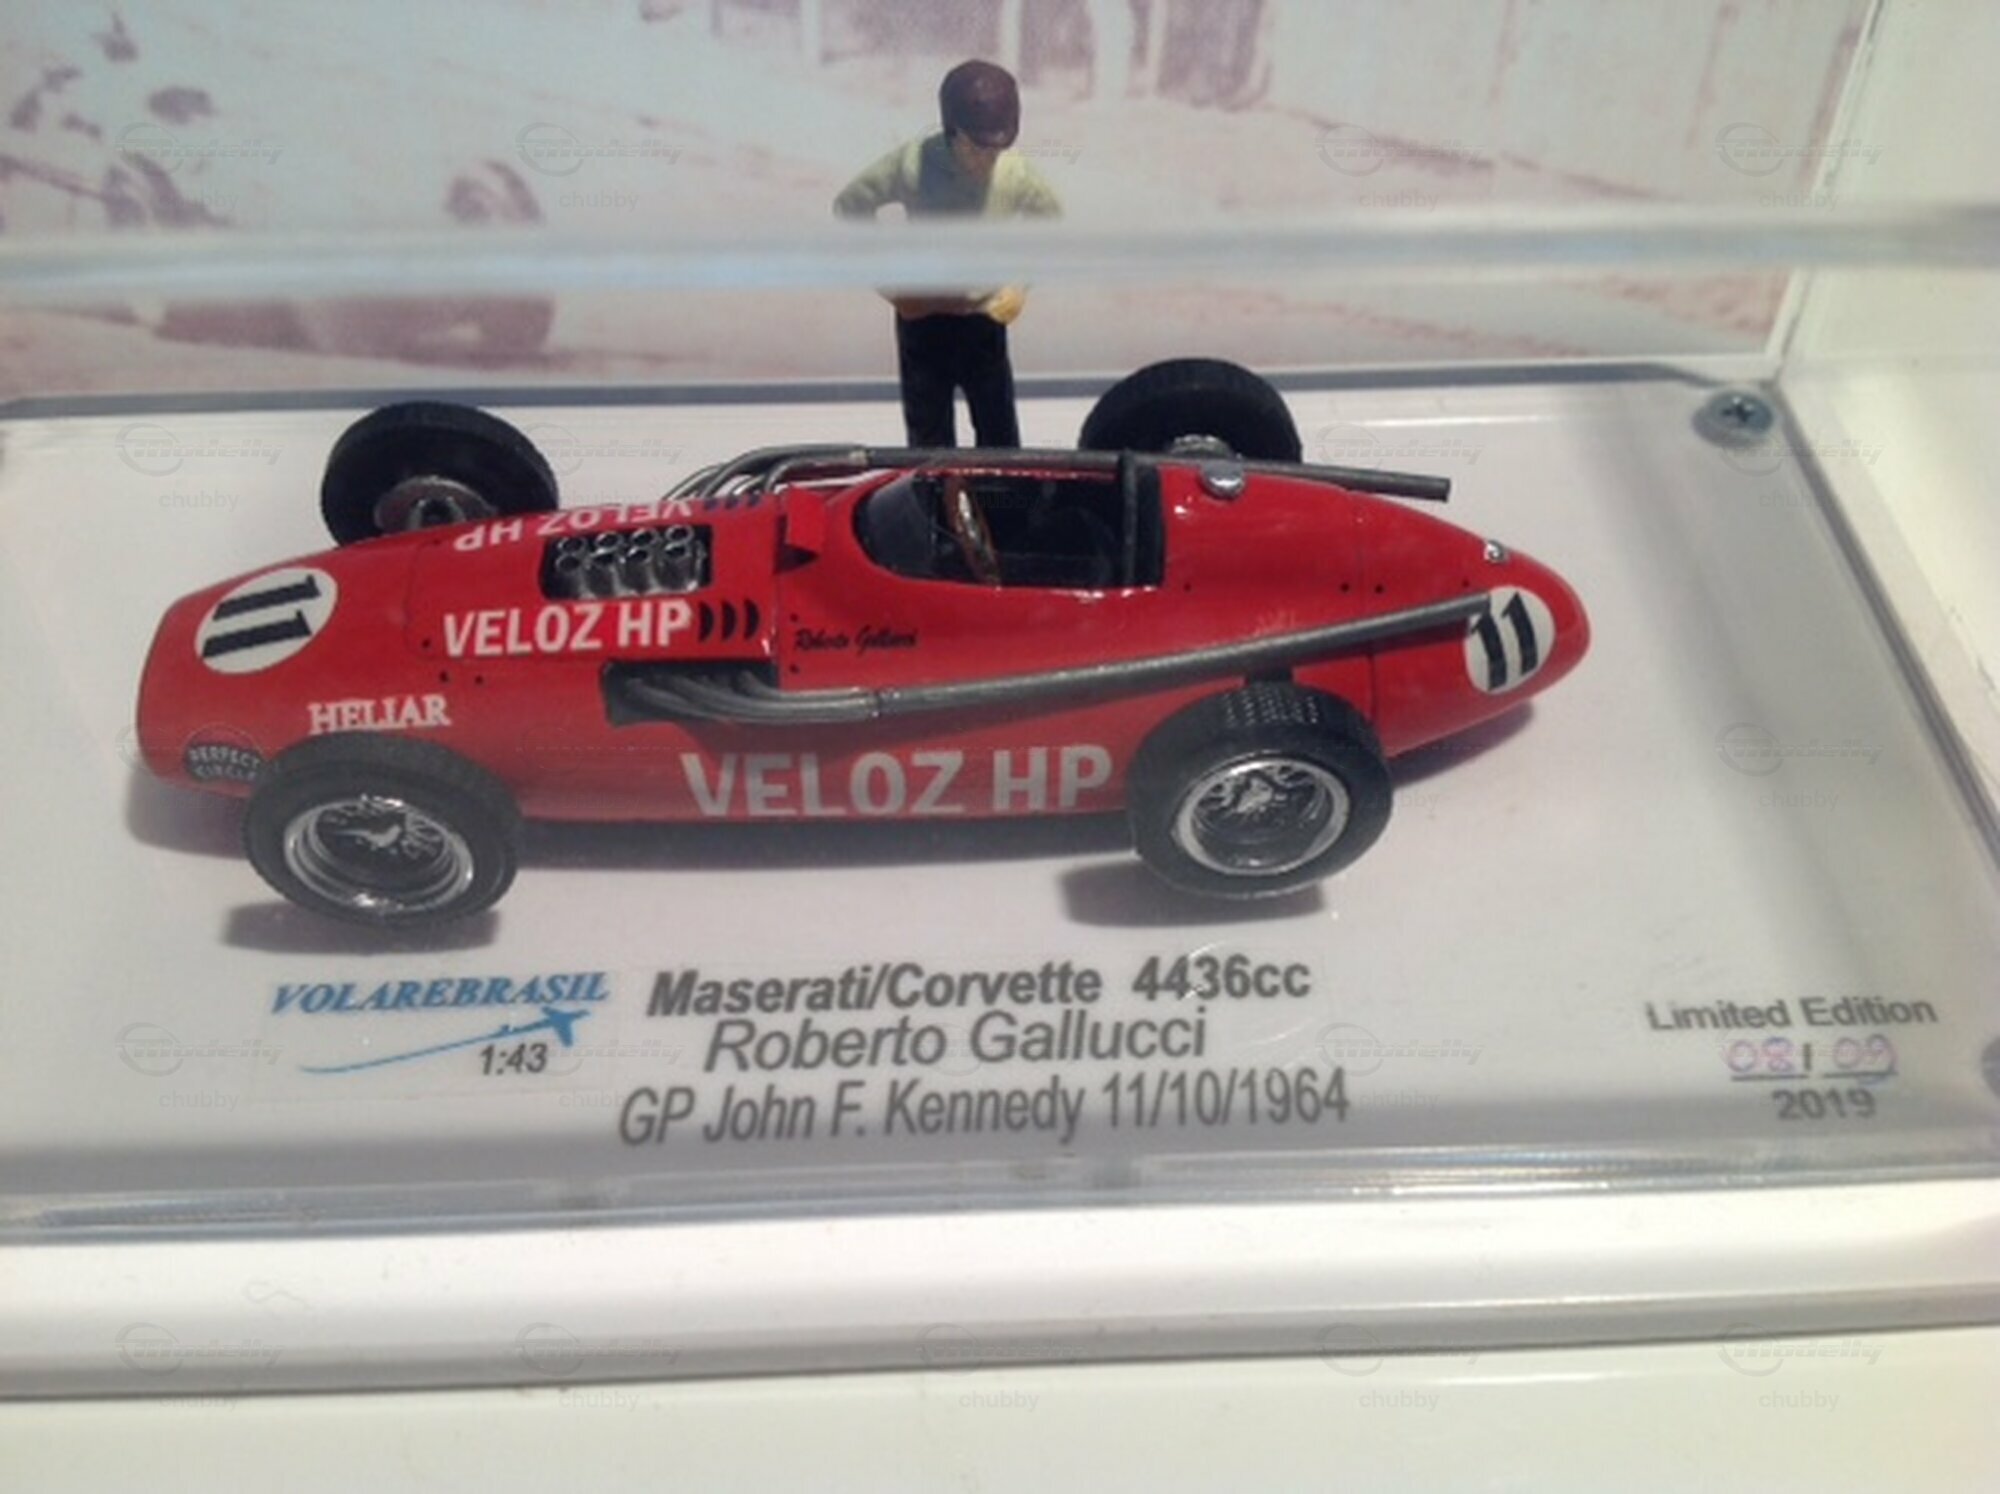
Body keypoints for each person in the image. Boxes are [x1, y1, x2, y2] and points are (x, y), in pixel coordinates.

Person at [834, 59, 1061, 449]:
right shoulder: (912, 165)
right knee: (928, 435)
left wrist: (1018, 285)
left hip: (983, 316)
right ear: (952, 130)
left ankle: (1004, 488)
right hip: (923, 317)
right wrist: (890, 283)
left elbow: (1051, 224)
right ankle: (932, 488)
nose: (987, 158)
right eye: (977, 146)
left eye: (998, 147)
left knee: (998, 431)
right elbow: (851, 206)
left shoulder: (1014, 173)